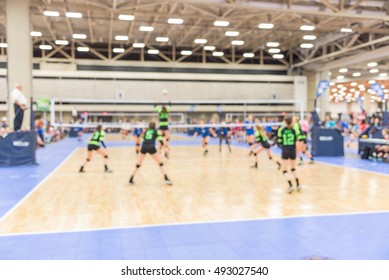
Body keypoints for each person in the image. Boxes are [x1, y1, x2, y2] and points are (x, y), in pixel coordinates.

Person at [277, 116, 301, 194]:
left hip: (285, 150)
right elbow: (297, 141)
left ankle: (290, 185)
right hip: (292, 150)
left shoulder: (282, 130)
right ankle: (298, 185)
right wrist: (298, 151)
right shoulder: (294, 130)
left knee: (284, 170)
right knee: (293, 168)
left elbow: (279, 141)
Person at [155, 90, 171, 159]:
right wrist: (167, 95)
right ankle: (166, 151)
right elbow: (170, 103)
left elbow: (155, 105)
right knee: (166, 140)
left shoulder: (160, 111)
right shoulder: (167, 111)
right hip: (166, 127)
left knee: (161, 140)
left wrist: (160, 98)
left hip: (161, 127)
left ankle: (160, 151)